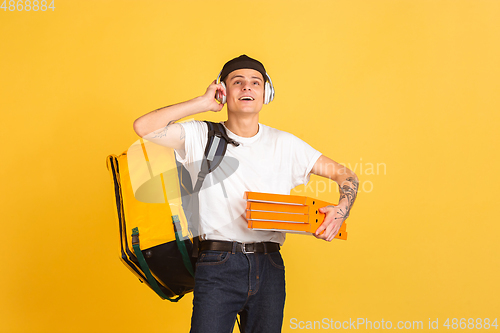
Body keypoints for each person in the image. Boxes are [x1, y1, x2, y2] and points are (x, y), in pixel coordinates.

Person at [133, 55, 359, 333]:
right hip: (217, 264)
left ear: (266, 93)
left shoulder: (285, 144)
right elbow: (144, 128)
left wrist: (341, 210)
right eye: (237, 82)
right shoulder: (201, 135)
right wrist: (202, 103)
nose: (247, 88)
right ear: (223, 91)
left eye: (255, 82)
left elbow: (346, 175)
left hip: (270, 264)